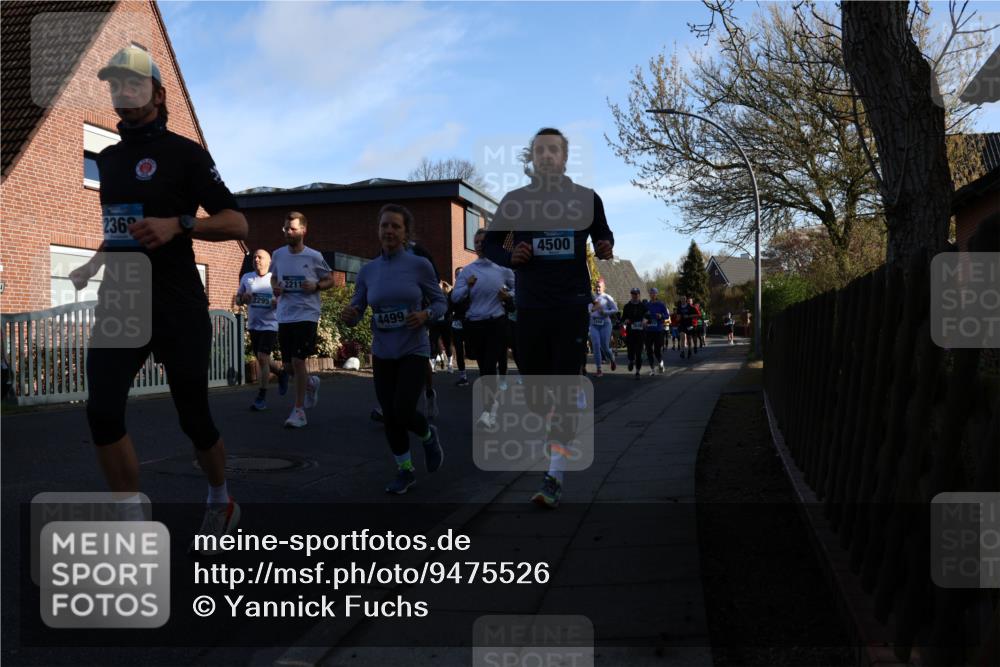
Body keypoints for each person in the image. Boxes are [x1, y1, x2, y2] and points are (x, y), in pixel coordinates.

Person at [67, 46, 247, 549]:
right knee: (102, 411)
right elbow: (123, 230)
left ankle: (220, 497)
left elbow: (237, 222)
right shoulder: (107, 160)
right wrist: (93, 263)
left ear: (159, 94)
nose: (123, 92)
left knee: (194, 416)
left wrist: (181, 224)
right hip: (121, 301)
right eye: (116, 85)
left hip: (176, 303)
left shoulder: (186, 154)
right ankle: (130, 524)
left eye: (134, 83)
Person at [483, 127, 614, 508]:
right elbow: (492, 242)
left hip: (572, 306)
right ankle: (555, 427)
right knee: (537, 395)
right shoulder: (516, 201)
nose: (546, 156)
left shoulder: (586, 199)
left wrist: (605, 246)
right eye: (539, 150)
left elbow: (603, 237)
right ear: (533, 158)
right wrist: (512, 257)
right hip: (531, 307)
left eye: (553, 150)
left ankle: (554, 474)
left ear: (564, 157)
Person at [342, 204, 447, 494]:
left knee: (402, 409)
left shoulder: (419, 265)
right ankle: (405, 471)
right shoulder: (368, 271)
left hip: (414, 348)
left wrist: (426, 316)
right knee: (390, 415)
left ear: (405, 233)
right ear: (378, 231)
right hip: (383, 351)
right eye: (384, 226)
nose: (389, 230)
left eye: (395, 226)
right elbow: (359, 306)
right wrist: (351, 315)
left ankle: (428, 435)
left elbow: (440, 302)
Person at [271, 212, 335, 428]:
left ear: (303, 231)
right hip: (285, 315)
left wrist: (316, 286)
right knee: (289, 366)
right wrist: (275, 287)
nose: (288, 232)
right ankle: (310, 383)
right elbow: (273, 276)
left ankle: (298, 411)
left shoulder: (314, 256)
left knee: (299, 361)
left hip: (307, 314)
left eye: (293, 228)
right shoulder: (278, 255)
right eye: (286, 228)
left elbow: (330, 279)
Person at [451, 228, 516, 426]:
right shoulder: (468, 271)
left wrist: (508, 296)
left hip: (496, 322)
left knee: (488, 366)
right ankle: (492, 405)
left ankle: (488, 412)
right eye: (476, 241)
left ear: (490, 243)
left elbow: (518, 288)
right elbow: (454, 297)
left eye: (483, 241)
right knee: (483, 367)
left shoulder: (502, 268)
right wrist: (467, 287)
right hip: (474, 324)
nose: (479, 244)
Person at [236, 249, 288, 410]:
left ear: (269, 261)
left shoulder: (275, 279)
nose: (256, 259)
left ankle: (261, 397)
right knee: (262, 359)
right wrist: (242, 299)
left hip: (270, 325)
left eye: (260, 257)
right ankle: (281, 373)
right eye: (254, 257)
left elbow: (286, 300)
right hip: (253, 325)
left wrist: (277, 303)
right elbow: (238, 299)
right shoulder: (247, 277)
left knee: (262, 356)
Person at [588, 279, 618, 376]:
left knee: (605, 347)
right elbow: (588, 310)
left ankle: (612, 358)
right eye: (596, 286)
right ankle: (599, 369)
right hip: (593, 324)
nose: (597, 288)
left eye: (599, 287)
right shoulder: (591, 297)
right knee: (596, 345)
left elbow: (615, 310)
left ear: (604, 287)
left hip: (605, 324)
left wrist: (605, 312)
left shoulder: (607, 297)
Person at [451, 267, 472, 387]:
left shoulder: (472, 291)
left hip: (470, 323)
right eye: (457, 274)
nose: (459, 276)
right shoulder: (452, 293)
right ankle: (463, 377)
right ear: (455, 277)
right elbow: (449, 309)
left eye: (461, 274)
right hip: (457, 324)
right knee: (459, 350)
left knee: (472, 351)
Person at [644, 287, 669, 374]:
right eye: (651, 293)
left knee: (657, 350)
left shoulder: (661, 304)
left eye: (654, 293)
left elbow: (667, 316)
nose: (652, 294)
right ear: (649, 294)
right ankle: (652, 368)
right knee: (649, 350)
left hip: (658, 330)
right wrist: (644, 320)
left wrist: (661, 316)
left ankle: (661, 363)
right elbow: (643, 316)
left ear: (656, 294)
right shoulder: (647, 305)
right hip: (649, 330)